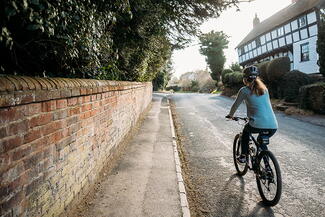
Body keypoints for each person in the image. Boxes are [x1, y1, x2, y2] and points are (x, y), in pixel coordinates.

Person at [226, 65, 278, 163]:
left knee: (246, 131)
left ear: (245, 79)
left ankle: (243, 156)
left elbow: (235, 105)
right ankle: (266, 168)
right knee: (261, 142)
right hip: (273, 125)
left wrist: (230, 115)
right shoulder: (264, 89)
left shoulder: (244, 90)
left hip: (257, 124)